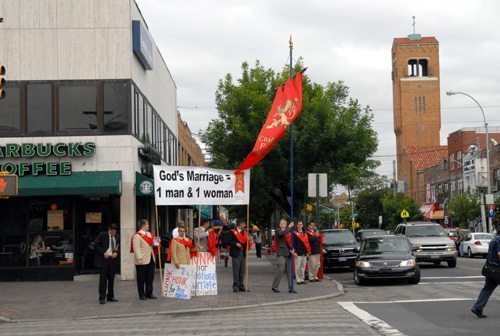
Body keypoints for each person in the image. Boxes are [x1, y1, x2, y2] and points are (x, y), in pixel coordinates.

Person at [471, 228, 500, 318]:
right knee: (487, 288)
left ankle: (478, 308)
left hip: (490, 269)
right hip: (497, 269)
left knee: (487, 289)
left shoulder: (494, 240)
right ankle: (478, 308)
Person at [132, 219, 159, 300]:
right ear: (143, 225)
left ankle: (149, 293)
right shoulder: (137, 235)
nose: (148, 226)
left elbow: (154, 244)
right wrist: (139, 258)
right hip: (142, 259)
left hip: (151, 258)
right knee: (141, 279)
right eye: (147, 224)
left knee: (150, 278)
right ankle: (141, 294)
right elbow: (136, 248)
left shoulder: (149, 234)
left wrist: (157, 242)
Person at [94, 224, 120, 304]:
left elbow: (118, 246)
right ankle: (102, 297)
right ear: (109, 229)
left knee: (111, 279)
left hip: (113, 260)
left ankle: (110, 296)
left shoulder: (117, 236)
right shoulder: (102, 235)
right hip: (104, 260)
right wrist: (103, 252)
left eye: (115, 232)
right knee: (103, 280)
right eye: (112, 231)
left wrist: (116, 252)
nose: (113, 233)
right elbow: (96, 244)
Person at [272, 219, 295, 293]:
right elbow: (282, 234)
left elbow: (291, 241)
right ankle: (275, 286)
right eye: (281, 223)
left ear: (286, 224)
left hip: (288, 252)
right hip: (281, 252)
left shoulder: (289, 231)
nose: (282, 224)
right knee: (280, 270)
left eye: (284, 223)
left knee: (289, 271)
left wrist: (293, 249)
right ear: (279, 224)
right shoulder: (278, 230)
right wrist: (289, 227)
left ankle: (290, 287)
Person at [228, 219, 252, 293]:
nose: (244, 225)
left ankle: (241, 285)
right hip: (236, 252)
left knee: (242, 270)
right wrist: (235, 244)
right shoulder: (232, 232)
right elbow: (229, 241)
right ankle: (235, 286)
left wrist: (249, 240)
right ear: (239, 224)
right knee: (236, 270)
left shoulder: (245, 232)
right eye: (243, 224)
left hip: (243, 253)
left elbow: (246, 242)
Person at [293, 220, 311, 285]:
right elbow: (293, 243)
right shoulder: (294, 233)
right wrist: (294, 251)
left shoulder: (305, 233)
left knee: (303, 267)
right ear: (297, 225)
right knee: (297, 267)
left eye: (301, 224)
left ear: (303, 225)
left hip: (304, 252)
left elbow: (306, 243)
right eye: (299, 224)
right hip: (298, 252)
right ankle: (298, 280)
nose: (300, 225)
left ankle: (302, 279)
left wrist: (307, 251)